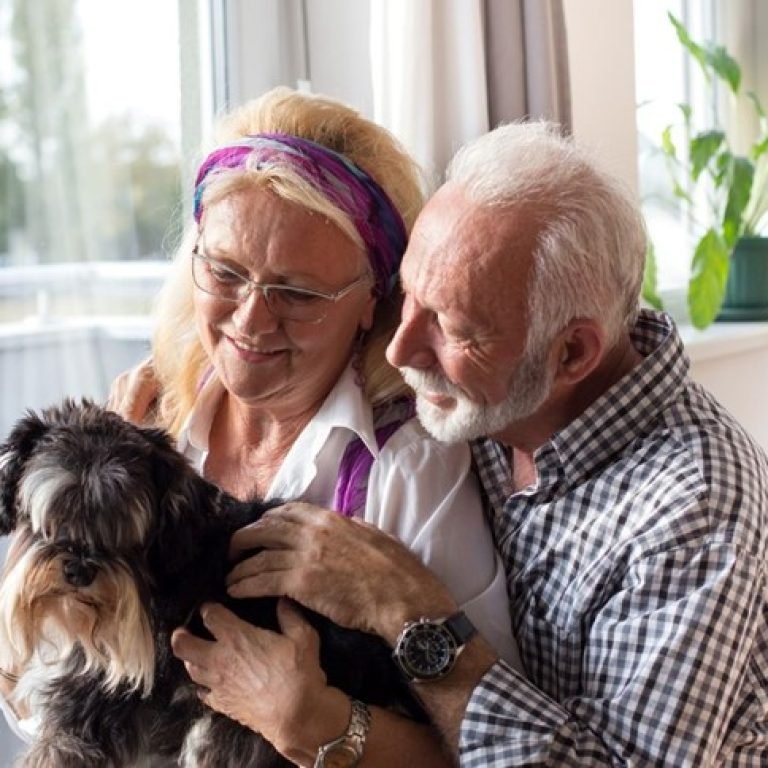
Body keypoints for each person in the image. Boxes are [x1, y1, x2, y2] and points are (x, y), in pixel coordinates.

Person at [174, 120, 768, 766]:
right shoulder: (490, 405)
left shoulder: (696, 509)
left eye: (452, 328)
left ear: (570, 352)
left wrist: (411, 610)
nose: (400, 352)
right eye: (409, 299)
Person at [0, 87, 521, 765]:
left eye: (298, 292)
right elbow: (35, 685)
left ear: (373, 300)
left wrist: (319, 719)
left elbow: (487, 748)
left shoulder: (409, 471)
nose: (250, 320)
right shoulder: (147, 419)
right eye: (224, 271)